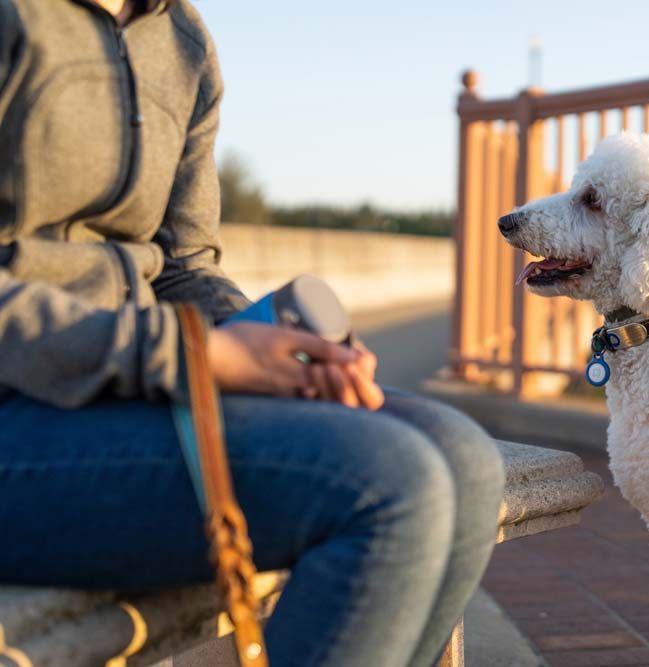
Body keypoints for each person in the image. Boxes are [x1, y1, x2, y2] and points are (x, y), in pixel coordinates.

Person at [0, 0, 505, 665]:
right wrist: (187, 355)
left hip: (117, 390)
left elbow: (182, 265)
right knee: (388, 483)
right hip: (21, 408)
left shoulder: (179, 35)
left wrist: (285, 351)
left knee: (466, 459)